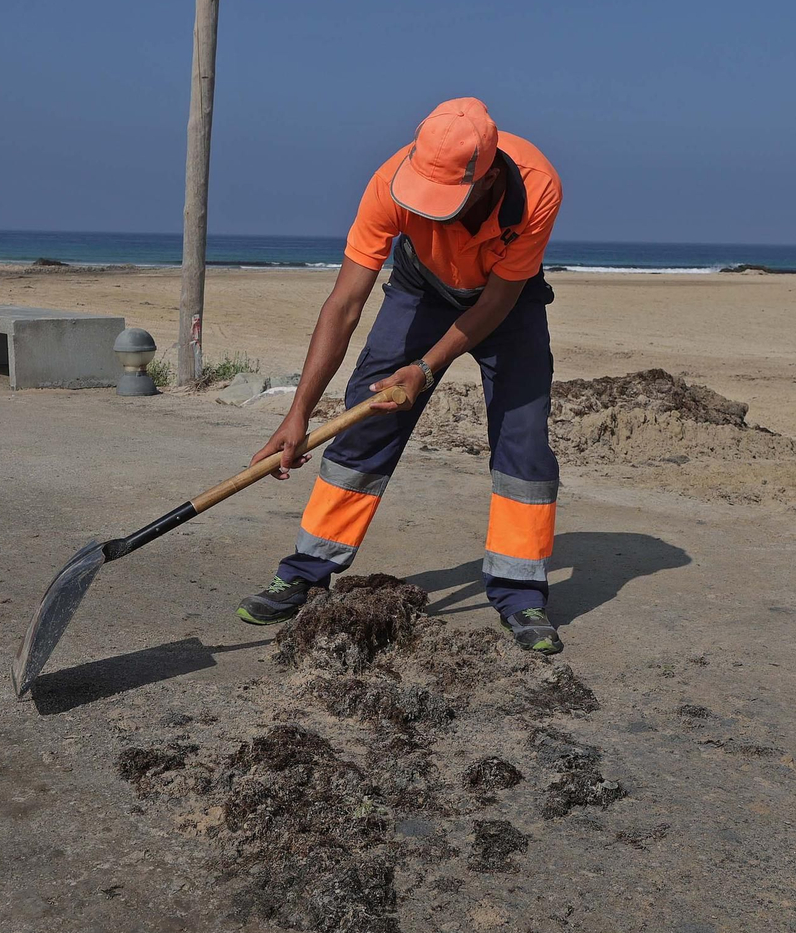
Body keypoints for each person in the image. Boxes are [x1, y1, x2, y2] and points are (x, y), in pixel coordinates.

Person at [236, 97, 565, 653]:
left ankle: (520, 592)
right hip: (420, 290)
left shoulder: (537, 185)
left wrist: (424, 368)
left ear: (485, 182)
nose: (430, 210)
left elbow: (494, 305)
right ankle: (307, 569)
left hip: (505, 303)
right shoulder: (390, 181)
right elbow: (342, 305)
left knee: (524, 441)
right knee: (363, 423)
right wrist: (298, 416)